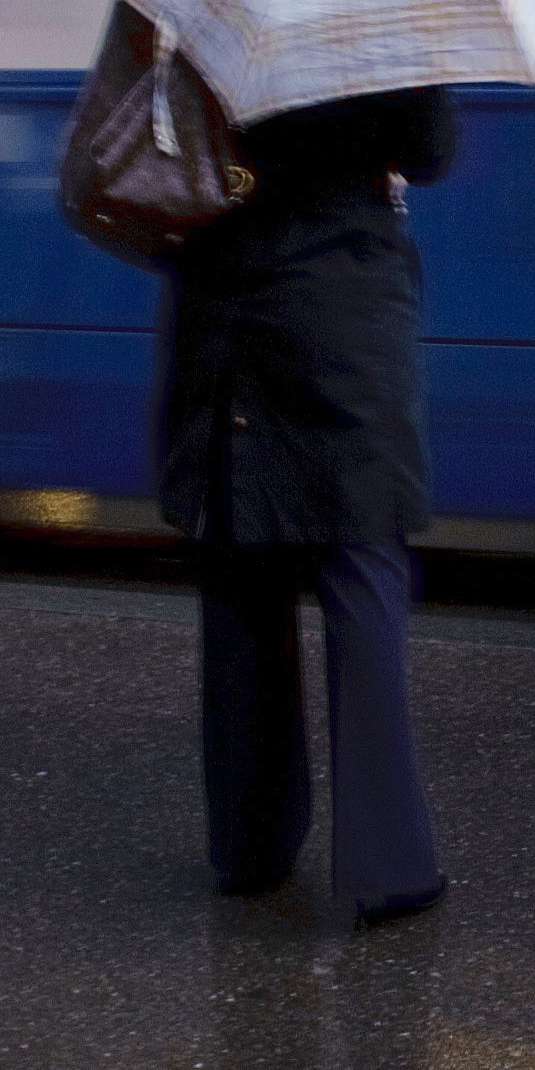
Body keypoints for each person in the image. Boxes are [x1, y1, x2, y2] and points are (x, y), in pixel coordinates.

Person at [162, 83, 457, 927]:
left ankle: (249, 849)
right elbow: (430, 150)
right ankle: (386, 864)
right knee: (361, 566)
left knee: (242, 557)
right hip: (344, 298)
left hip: (226, 290)